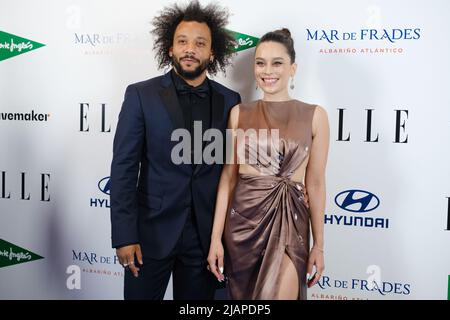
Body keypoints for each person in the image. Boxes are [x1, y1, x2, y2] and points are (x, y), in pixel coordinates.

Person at [110, 0, 241, 300]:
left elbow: (230, 175)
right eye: (182, 41)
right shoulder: (141, 95)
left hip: (205, 241)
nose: (190, 49)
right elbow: (123, 170)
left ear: (212, 51)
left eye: (199, 43)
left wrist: (226, 238)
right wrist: (125, 235)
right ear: (170, 48)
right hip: (148, 237)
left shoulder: (230, 100)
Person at [207, 28, 329, 300]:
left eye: (277, 63)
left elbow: (317, 183)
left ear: (293, 68)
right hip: (242, 228)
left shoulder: (315, 116)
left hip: (290, 225)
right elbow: (228, 178)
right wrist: (216, 239)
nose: (267, 70)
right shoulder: (239, 113)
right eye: (260, 62)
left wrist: (319, 245)